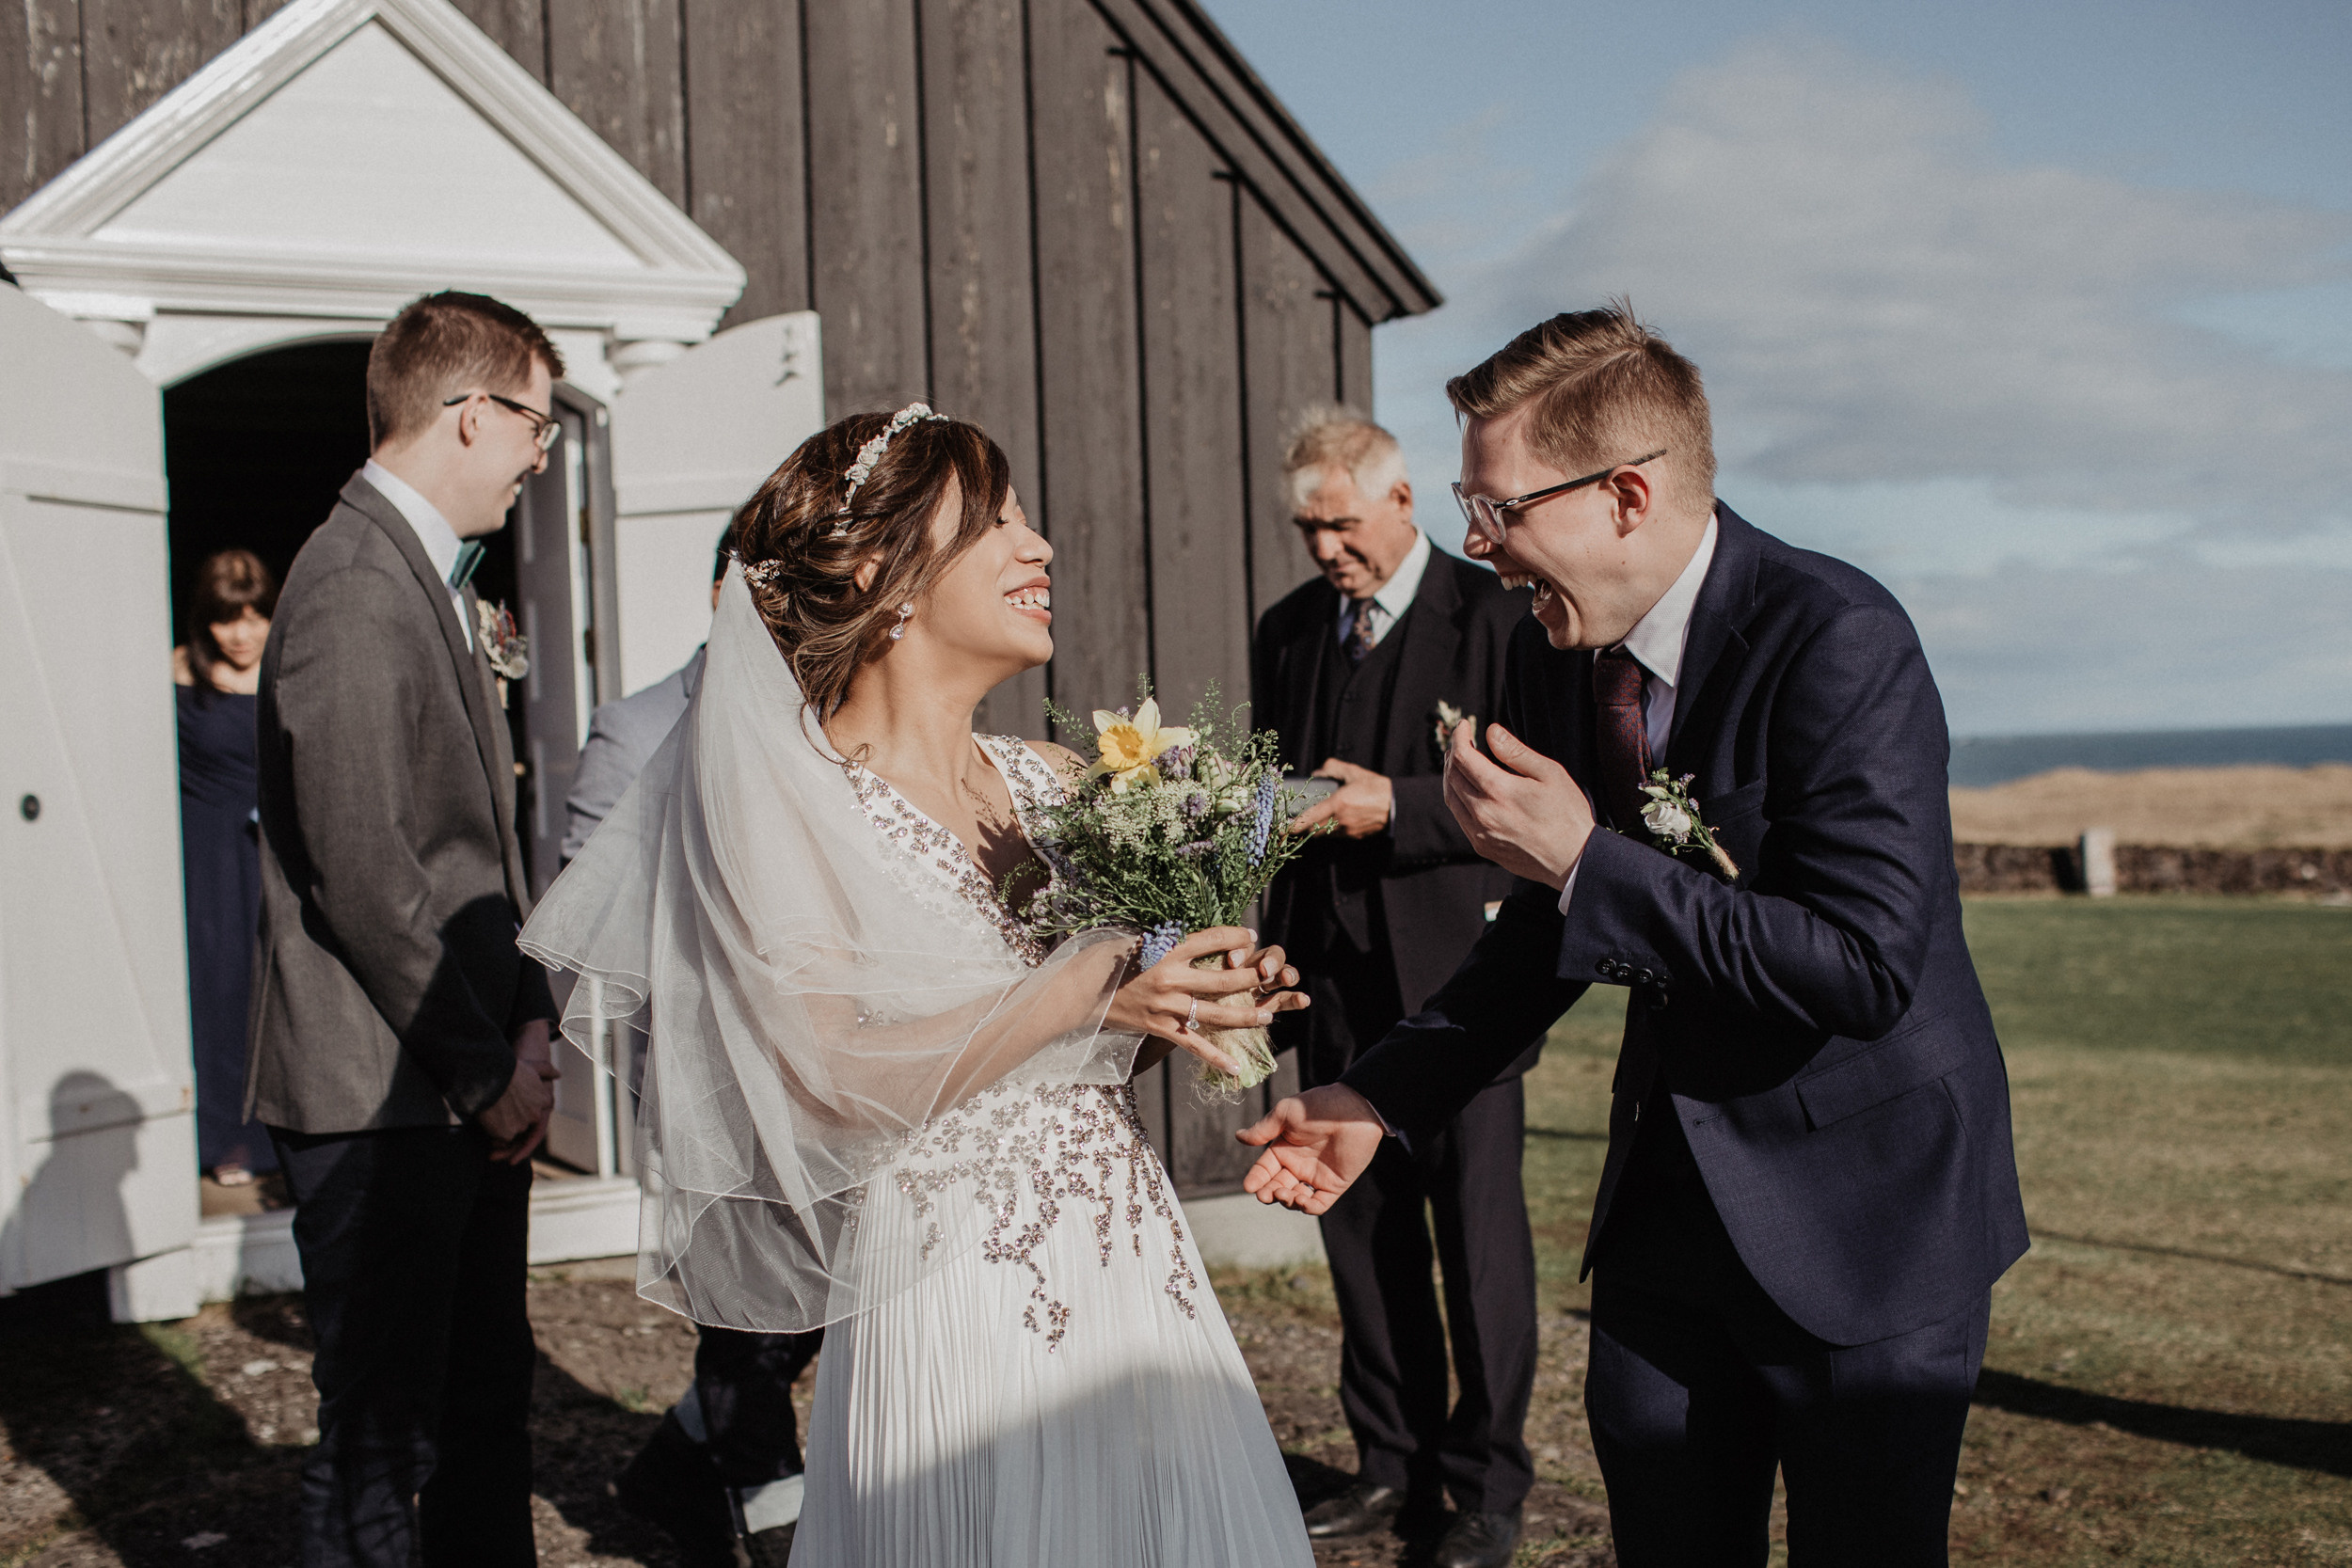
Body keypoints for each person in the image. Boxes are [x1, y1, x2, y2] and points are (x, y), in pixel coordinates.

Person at [1242, 305, 2029, 1567]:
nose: (1480, 545)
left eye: (1498, 509)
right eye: (1468, 503)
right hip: (1669, 1211)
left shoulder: (1838, 636)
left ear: (1623, 494)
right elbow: (1541, 937)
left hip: (1867, 1216)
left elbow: (1865, 966)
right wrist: (1377, 1094)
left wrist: (1580, 854)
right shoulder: (1564, 658)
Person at [521, 404, 1318, 1567]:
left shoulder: (1051, 779)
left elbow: (1080, 1048)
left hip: (1127, 1262)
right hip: (952, 1294)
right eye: (998, 519)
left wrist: (1179, 1003)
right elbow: (828, 1081)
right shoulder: (783, 803)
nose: (1038, 547)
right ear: (875, 572)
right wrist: (1096, 978)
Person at [247, 291, 567, 1567]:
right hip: (385, 1093)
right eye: (537, 425)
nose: (545, 456)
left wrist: (532, 1018)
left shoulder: (422, 578)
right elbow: (365, 871)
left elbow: (476, 850)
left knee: (487, 1404)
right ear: (473, 412)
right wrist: (487, 1071)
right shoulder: (350, 584)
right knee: (381, 1441)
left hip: (457, 1072)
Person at [1251, 410, 1535, 1568]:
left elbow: (1524, 792)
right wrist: (1261, 955)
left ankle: (1485, 1485)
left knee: (1476, 1243)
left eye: (1342, 522)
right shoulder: (1288, 631)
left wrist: (1397, 806)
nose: (1326, 548)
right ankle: (1389, 1463)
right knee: (1359, 1237)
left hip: (1463, 985)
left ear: (1404, 501)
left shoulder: (1496, 618)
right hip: (1331, 981)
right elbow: (1272, 805)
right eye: (1308, 528)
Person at [563, 531, 818, 1568]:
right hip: (704, 1076)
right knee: (746, 1324)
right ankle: (782, 1534)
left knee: (823, 1307)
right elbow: (587, 915)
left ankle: (670, 1468)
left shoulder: (825, 720)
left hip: (828, 1074)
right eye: (768, 592)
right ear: (722, 590)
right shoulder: (633, 728)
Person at [174, 547, 279, 1188]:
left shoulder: (289, 666)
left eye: (253, 616)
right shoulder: (177, 671)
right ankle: (215, 1136)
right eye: (225, 620)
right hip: (203, 852)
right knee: (213, 989)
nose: (241, 634)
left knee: (270, 989)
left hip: (268, 851)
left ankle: (270, 1135)